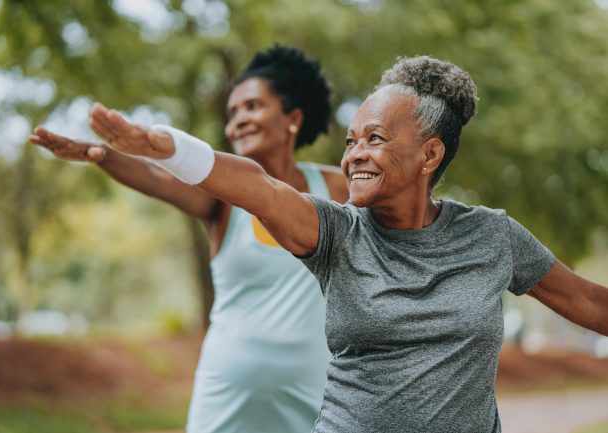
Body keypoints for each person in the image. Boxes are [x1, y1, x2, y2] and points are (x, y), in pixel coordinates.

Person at [81, 54, 608, 433]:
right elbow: (259, 187)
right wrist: (171, 150)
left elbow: (587, 301)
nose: (355, 154)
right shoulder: (334, 232)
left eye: (375, 139)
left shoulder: (492, 236)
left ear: (429, 155)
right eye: (351, 140)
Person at [30, 45, 348, 433]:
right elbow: (158, 178)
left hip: (316, 391)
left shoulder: (334, 188)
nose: (238, 122)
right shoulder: (224, 202)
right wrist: (103, 155)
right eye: (232, 113)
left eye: (252, 107)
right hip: (228, 392)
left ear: (293, 118)